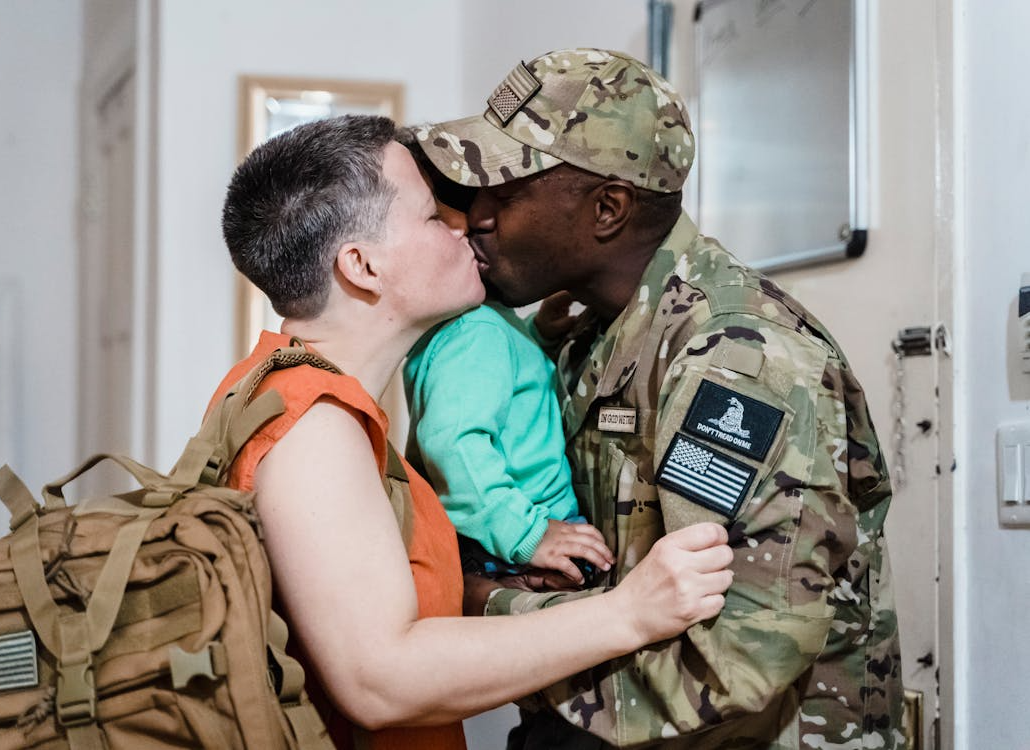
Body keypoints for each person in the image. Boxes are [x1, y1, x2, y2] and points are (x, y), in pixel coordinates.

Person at [412, 49, 905, 748]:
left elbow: (733, 662)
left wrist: (479, 605)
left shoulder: (738, 359)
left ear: (606, 208)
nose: (475, 217)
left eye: (503, 191)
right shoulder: (579, 331)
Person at [210, 114, 734, 750]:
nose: (466, 228)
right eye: (434, 216)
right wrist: (630, 612)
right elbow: (380, 681)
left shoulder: (286, 391)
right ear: (362, 265)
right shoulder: (313, 430)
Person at [402, 261, 613, 584]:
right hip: (508, 542)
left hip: (513, 533)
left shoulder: (487, 327)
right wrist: (527, 534)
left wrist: (538, 333)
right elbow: (453, 448)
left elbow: (504, 384)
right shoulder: (477, 332)